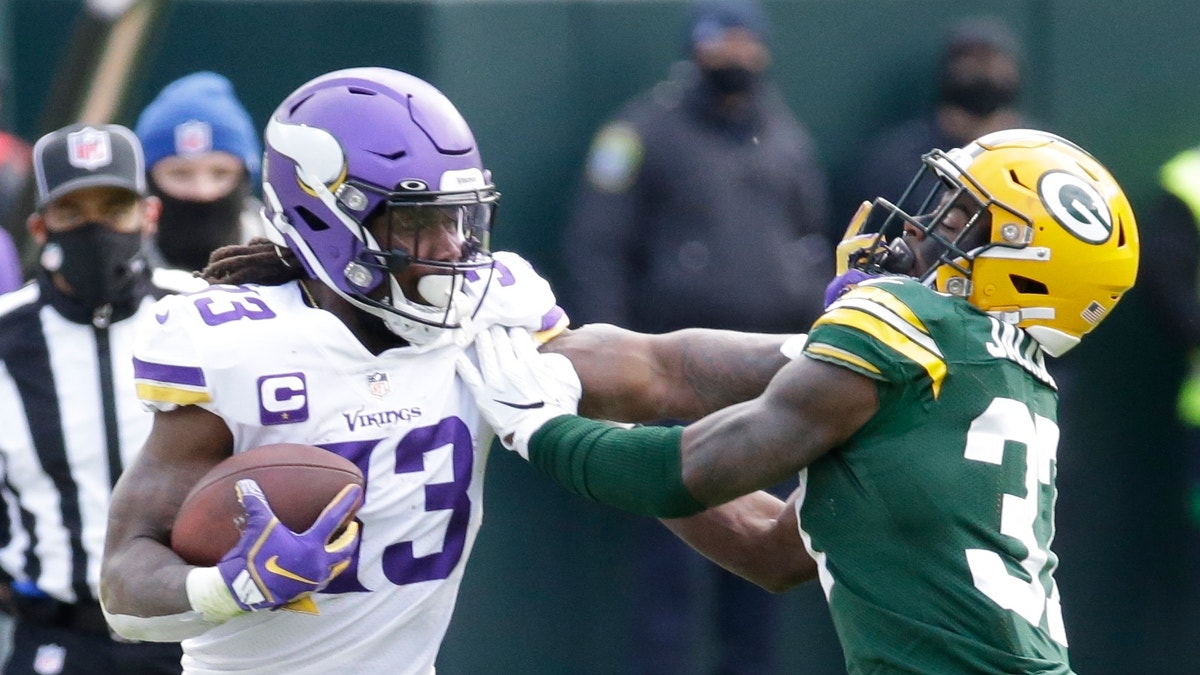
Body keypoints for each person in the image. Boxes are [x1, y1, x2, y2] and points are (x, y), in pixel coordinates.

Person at [457, 128, 1140, 673]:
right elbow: (772, 547)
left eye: (959, 220)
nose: (920, 230)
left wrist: (543, 427)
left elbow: (689, 468)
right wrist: (559, 348)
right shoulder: (998, 377)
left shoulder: (912, 328)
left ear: (1025, 267)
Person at [563, 1, 833, 669]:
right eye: (722, 41)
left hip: (771, 380)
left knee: (769, 558)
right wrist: (614, 377)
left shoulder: (786, 133)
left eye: (747, 41)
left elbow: (811, 238)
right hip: (671, 383)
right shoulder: (642, 129)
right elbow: (594, 247)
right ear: (695, 47)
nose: (736, 54)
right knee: (672, 571)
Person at [0, 123, 192, 673]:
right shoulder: (7, 339)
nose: (96, 227)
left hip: (197, 634)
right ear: (41, 227)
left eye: (114, 208)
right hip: (60, 637)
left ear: (148, 216)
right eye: (72, 212)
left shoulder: (203, 313)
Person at [840, 16, 1030, 226]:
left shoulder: (1038, 153)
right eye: (972, 60)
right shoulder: (892, 161)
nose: (985, 72)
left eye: (994, 61)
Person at [134, 71, 266, 273]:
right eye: (180, 174)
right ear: (147, 181)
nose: (202, 192)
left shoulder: (292, 264)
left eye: (220, 173)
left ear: (246, 177)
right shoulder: (117, 275)